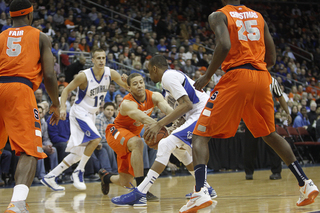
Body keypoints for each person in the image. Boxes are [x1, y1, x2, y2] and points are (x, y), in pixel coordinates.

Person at [179, 1, 319, 212]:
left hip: (237, 77)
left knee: (200, 135)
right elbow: (271, 58)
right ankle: (306, 184)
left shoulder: (218, 15)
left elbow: (225, 45)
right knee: (270, 134)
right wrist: (255, 68)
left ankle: (199, 192)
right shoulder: (259, 16)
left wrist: (208, 75)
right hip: (262, 77)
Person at [110, 55, 216, 206]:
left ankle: (140, 193)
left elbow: (187, 105)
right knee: (178, 149)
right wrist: (170, 127)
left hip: (202, 114)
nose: (148, 75)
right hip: (197, 115)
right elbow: (180, 113)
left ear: (154, 68)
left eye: (148, 71)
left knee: (165, 144)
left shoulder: (168, 76)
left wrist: (159, 125)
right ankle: (206, 187)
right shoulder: (167, 87)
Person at [0, 0, 60, 212]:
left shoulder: (0, 37)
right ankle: (16, 205)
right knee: (29, 151)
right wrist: (55, 103)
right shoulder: (40, 36)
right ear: (30, 15)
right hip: (20, 90)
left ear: (10, 16)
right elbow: (50, 75)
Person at [41, 49, 128, 191]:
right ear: (92, 60)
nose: (101, 60)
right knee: (96, 139)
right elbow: (66, 90)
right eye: (98, 58)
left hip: (91, 114)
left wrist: (126, 80)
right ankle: (79, 171)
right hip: (80, 112)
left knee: (78, 154)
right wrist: (62, 107)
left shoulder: (110, 73)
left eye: (103, 58)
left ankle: (50, 177)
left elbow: (126, 86)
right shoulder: (84, 76)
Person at [98, 73, 173, 202]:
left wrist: (179, 120)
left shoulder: (155, 96)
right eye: (135, 84)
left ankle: (106, 177)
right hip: (116, 131)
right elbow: (142, 117)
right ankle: (142, 190)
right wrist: (160, 126)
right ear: (129, 88)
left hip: (131, 136)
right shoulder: (127, 103)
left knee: (125, 181)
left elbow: (168, 109)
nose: (139, 85)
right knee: (138, 142)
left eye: (141, 82)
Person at [244, 77, 292, 180]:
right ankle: (249, 172)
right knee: (250, 145)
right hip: (251, 115)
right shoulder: (247, 77)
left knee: (272, 144)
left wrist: (287, 112)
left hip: (266, 115)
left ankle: (276, 172)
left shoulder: (272, 80)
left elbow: (280, 97)